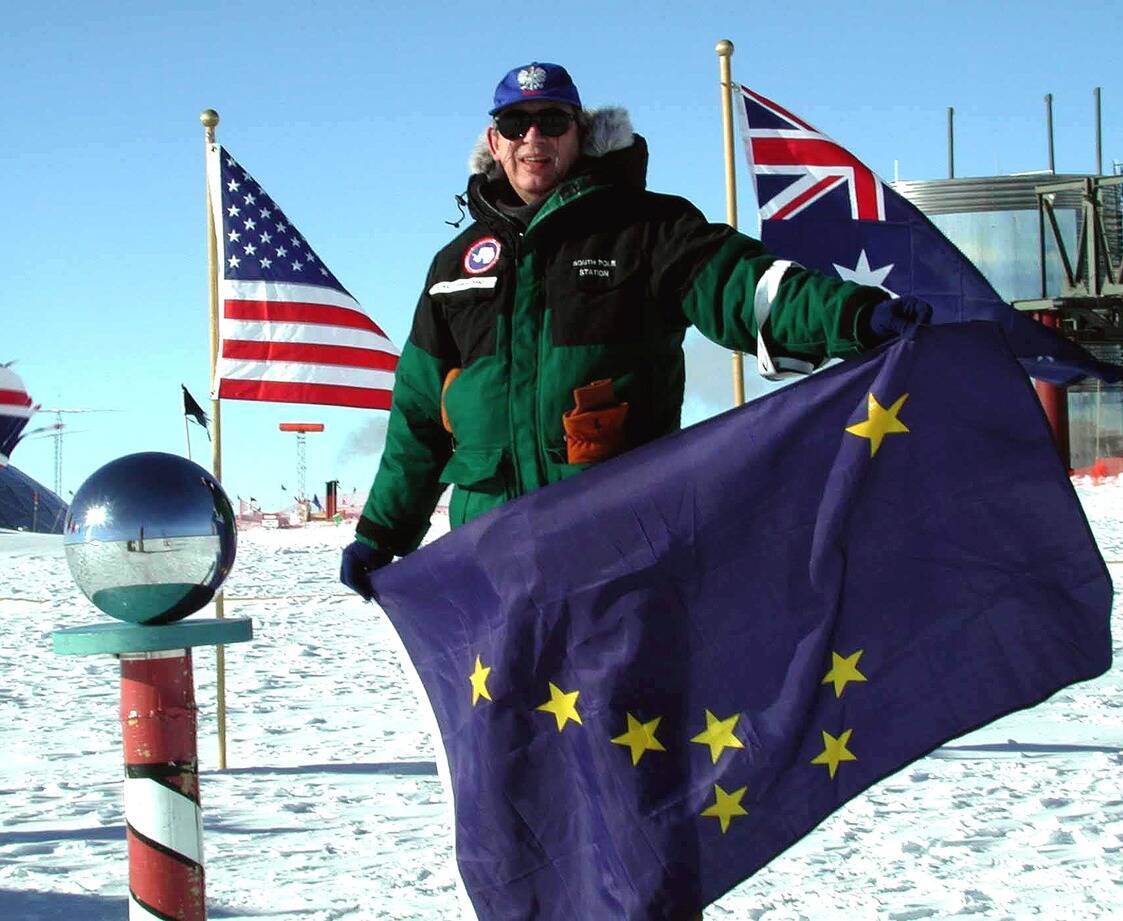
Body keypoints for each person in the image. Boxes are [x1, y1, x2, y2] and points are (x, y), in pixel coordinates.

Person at [341, 62, 930, 599]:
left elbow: (746, 288)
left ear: (581, 132)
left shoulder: (648, 229)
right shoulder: (455, 266)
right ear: (494, 142)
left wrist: (857, 315)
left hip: (615, 553)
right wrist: (382, 532)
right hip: (492, 562)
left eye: (552, 121)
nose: (533, 137)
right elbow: (419, 416)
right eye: (515, 124)